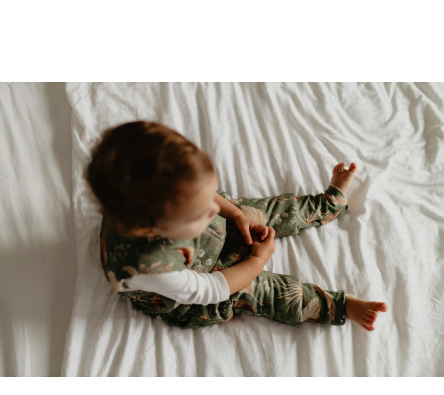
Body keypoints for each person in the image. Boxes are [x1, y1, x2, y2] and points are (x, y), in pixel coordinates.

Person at [86, 121, 388, 331]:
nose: (211, 210)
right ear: (149, 230)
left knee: (258, 212)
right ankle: (338, 306)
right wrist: (257, 261)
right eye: (199, 211)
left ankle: (327, 203)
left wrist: (235, 215)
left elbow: (210, 201)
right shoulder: (152, 268)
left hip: (204, 241)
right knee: (262, 292)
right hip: (199, 288)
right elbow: (208, 290)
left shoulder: (151, 199)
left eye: (207, 198)